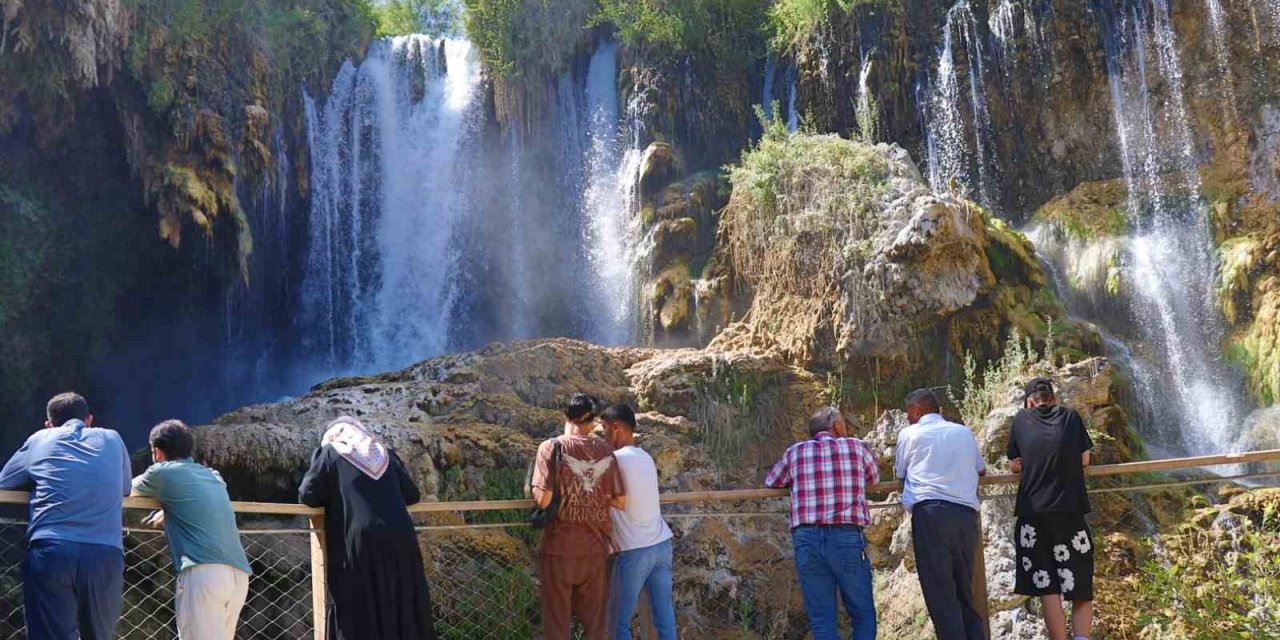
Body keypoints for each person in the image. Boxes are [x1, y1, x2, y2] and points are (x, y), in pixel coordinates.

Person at [0, 392, 131, 640]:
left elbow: (5, 481)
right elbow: (124, 488)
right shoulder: (113, 439)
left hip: (52, 552)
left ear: (48, 423)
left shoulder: (40, 439)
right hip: (105, 556)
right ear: (89, 419)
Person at [298, 416, 436, 640]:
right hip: (401, 539)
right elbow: (412, 494)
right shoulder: (385, 454)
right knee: (401, 601)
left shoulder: (331, 453)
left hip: (359, 541)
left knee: (359, 605)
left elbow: (308, 495)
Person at [764, 407, 878, 640]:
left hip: (808, 538)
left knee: (822, 616)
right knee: (862, 611)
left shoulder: (795, 452)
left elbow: (772, 481)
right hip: (847, 537)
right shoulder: (856, 447)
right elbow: (873, 477)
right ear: (836, 426)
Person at [131, 420, 252, 640]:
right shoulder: (213, 476)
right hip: (238, 574)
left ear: (157, 453)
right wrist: (171, 509)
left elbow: (126, 489)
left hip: (203, 572)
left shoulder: (161, 472)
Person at [531, 393, 625, 640]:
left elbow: (542, 500)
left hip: (559, 549)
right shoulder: (606, 450)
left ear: (565, 416)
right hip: (595, 550)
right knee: (595, 625)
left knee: (557, 623)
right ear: (594, 421)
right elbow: (620, 499)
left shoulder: (551, 448)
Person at [895, 389, 987, 640]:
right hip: (966, 516)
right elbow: (981, 469)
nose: (907, 418)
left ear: (916, 411)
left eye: (908, 413)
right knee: (964, 591)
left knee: (941, 593)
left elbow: (900, 473)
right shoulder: (964, 432)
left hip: (931, 515)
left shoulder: (909, 434)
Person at [1007, 378, 1094, 640]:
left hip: (1033, 515)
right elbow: (1085, 458)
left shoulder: (1021, 420)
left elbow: (1014, 463)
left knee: (1048, 585)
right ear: (1053, 399)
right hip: (1069, 511)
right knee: (1080, 582)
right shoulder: (1070, 417)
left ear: (1030, 402)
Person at [600, 404, 677, 640]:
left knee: (617, 624)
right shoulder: (646, 457)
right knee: (664, 617)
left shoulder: (614, 460)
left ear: (616, 428)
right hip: (662, 545)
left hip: (634, 549)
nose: (604, 436)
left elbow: (613, 499)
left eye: (604, 429)